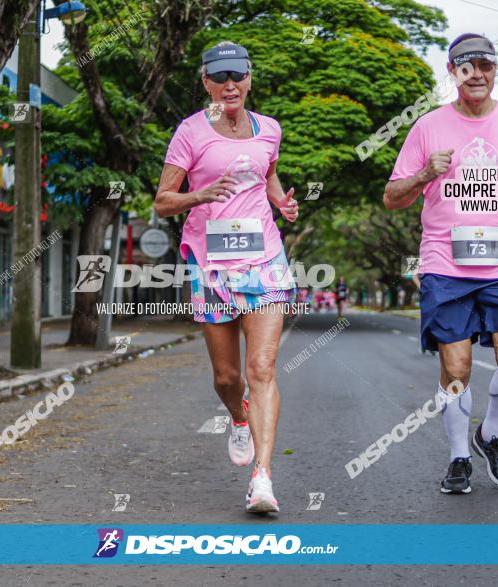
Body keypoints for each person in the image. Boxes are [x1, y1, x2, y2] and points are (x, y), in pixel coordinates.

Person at [383, 33, 498, 494]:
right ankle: (459, 458)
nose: (477, 73)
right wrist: (424, 174)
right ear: (452, 72)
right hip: (445, 265)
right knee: (456, 370)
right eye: (466, 66)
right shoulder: (428, 126)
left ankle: (488, 434)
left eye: (485, 65)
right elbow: (392, 197)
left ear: (496, 71)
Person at [155, 41, 299, 513]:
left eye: (237, 75)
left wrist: (281, 202)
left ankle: (262, 478)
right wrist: (203, 195)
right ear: (206, 83)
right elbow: (162, 201)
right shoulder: (190, 133)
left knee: (261, 369)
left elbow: (268, 173)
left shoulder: (269, 129)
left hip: (264, 259)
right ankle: (238, 418)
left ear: (250, 78)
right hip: (210, 261)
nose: (229, 84)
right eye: (220, 77)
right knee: (227, 376)